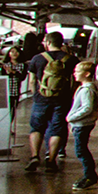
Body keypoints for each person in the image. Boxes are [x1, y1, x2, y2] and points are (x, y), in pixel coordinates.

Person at [26, 31, 73, 172]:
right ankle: (51, 160)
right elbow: (74, 82)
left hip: (41, 99)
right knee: (57, 129)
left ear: (47, 42)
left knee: (36, 128)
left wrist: (35, 95)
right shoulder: (71, 59)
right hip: (62, 99)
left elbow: (32, 80)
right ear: (61, 43)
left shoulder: (37, 59)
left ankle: (34, 156)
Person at [67, 61, 98, 190]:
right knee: (81, 150)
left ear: (86, 74)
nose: (74, 74)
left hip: (82, 124)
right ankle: (89, 175)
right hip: (81, 123)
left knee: (81, 151)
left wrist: (71, 118)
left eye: (77, 71)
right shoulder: (86, 88)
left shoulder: (86, 90)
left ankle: (89, 176)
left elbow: (87, 108)